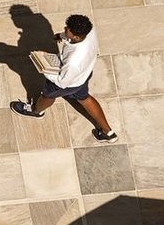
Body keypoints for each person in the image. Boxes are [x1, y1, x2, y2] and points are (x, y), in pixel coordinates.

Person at [10, 13, 118, 142]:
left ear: (76, 37)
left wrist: (43, 68)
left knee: (48, 95)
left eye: (67, 30)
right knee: (84, 97)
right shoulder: (89, 30)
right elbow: (72, 38)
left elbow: (62, 83)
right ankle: (108, 133)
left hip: (69, 81)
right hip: (83, 75)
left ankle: (36, 111)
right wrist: (62, 36)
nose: (65, 29)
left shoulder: (74, 61)